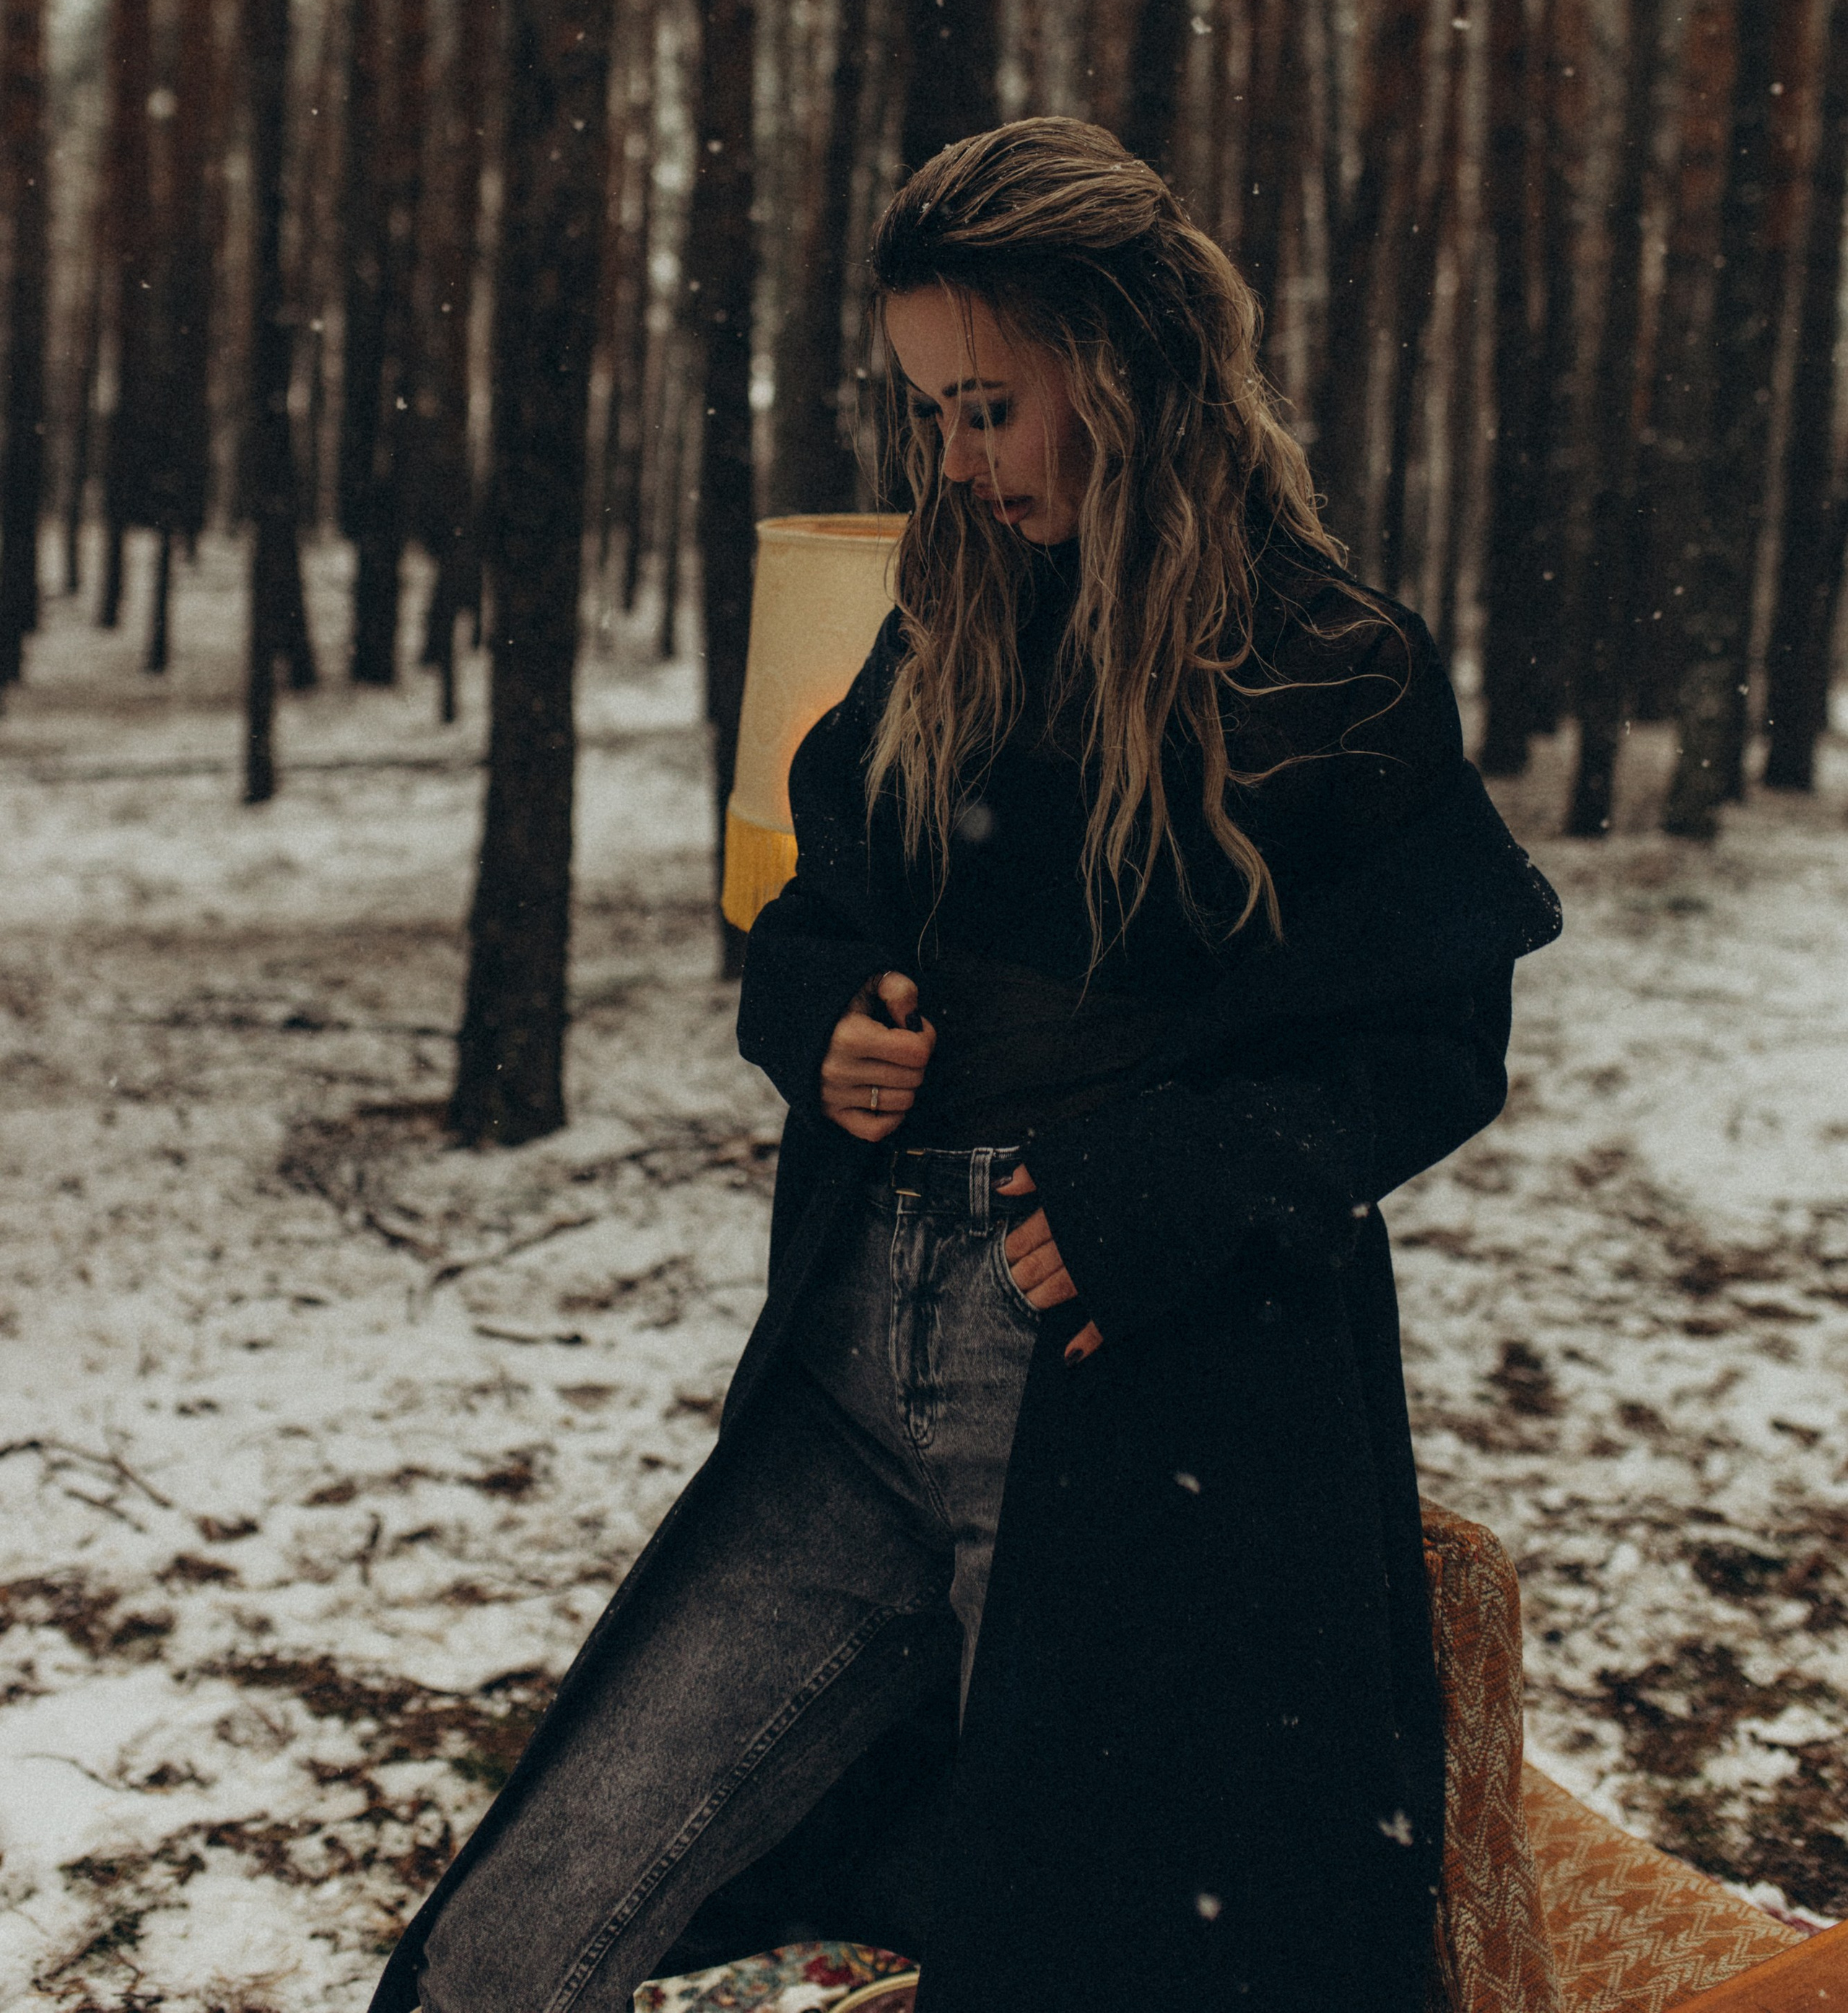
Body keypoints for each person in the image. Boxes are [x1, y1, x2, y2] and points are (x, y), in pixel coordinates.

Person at [373, 119, 1561, 2013]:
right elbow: (818, 904)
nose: (952, 457)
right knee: (514, 1937)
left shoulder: (1327, 670)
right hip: (850, 1381)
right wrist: (818, 1020)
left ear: (1128, 372)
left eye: (987, 406)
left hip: (1129, 1419)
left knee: (1069, 1958)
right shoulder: (952, 613)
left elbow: (1433, 1040)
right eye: (930, 409)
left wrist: (1158, 1188)